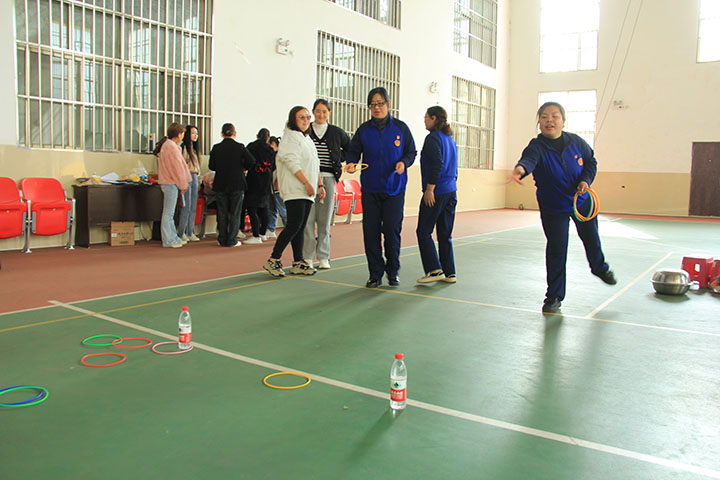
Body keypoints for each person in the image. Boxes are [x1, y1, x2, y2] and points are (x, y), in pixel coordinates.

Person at [511, 101, 617, 314]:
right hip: (553, 207)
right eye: (544, 117)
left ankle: (599, 268)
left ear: (563, 121)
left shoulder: (576, 142)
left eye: (554, 116)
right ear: (539, 123)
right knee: (557, 250)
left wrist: (585, 180)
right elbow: (528, 160)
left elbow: (591, 162)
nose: (549, 120)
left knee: (592, 239)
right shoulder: (536, 146)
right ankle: (554, 297)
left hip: (582, 202)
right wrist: (520, 170)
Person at [345, 87, 417, 288]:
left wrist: (404, 162)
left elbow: (411, 152)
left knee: (392, 231)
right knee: (371, 233)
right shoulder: (364, 130)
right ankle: (375, 274)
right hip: (370, 190)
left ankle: (393, 272)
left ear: (388, 104)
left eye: (380, 103)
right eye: (373, 104)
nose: (377, 108)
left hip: (395, 189)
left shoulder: (401, 128)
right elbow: (353, 151)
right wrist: (351, 163)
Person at [263, 106, 324, 277]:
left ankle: (298, 262)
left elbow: (315, 164)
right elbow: (292, 163)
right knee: (294, 225)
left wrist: (319, 185)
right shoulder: (290, 138)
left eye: (307, 117)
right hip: (295, 189)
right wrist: (306, 183)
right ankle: (273, 259)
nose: (306, 120)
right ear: (293, 119)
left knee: (300, 226)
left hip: (307, 190)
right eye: (301, 117)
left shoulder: (307, 138)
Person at [303, 99, 351, 269]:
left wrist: (338, 158)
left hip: (329, 178)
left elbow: (350, 148)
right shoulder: (306, 131)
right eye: (318, 111)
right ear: (313, 112)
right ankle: (307, 257)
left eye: (324, 111)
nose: (321, 114)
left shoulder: (336, 132)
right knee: (308, 220)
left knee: (325, 220)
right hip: (308, 179)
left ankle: (323, 256)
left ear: (329, 113)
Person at [415, 106, 458, 284]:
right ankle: (449, 272)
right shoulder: (450, 139)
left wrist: (430, 189)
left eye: (426, 117)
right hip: (451, 191)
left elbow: (437, 164)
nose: (424, 120)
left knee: (423, 231)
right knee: (444, 234)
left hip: (437, 191)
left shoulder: (432, 138)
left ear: (434, 118)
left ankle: (434, 269)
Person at [208, 123, 256, 247]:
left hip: (221, 183)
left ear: (222, 133)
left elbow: (211, 166)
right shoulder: (240, 147)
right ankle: (232, 240)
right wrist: (243, 168)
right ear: (234, 133)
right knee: (235, 213)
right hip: (237, 183)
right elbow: (252, 161)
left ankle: (222, 238)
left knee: (222, 212)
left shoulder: (216, 148)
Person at [156, 122, 191, 248]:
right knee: (168, 213)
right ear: (179, 134)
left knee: (169, 213)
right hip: (170, 183)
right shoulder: (171, 147)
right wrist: (183, 184)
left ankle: (173, 237)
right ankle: (168, 240)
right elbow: (177, 169)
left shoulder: (169, 146)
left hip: (169, 182)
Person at [244, 128, 275, 244]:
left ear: (257, 136)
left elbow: (246, 161)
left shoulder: (252, 147)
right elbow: (274, 166)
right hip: (266, 180)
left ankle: (256, 235)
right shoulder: (270, 150)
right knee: (264, 208)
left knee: (252, 208)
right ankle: (263, 233)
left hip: (253, 180)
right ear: (268, 138)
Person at [178, 125, 201, 242]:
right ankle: (181, 232)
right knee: (186, 206)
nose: (195, 136)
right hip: (186, 176)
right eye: (193, 133)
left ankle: (190, 231)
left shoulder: (195, 149)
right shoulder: (183, 147)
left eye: (196, 133)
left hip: (195, 176)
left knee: (193, 206)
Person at [266, 136, 286, 238]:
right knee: (272, 208)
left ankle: (289, 229)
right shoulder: (276, 155)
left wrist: (277, 184)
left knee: (282, 209)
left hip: (278, 187)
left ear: (273, 144)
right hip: (273, 186)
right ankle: (271, 229)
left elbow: (279, 171)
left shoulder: (280, 155)